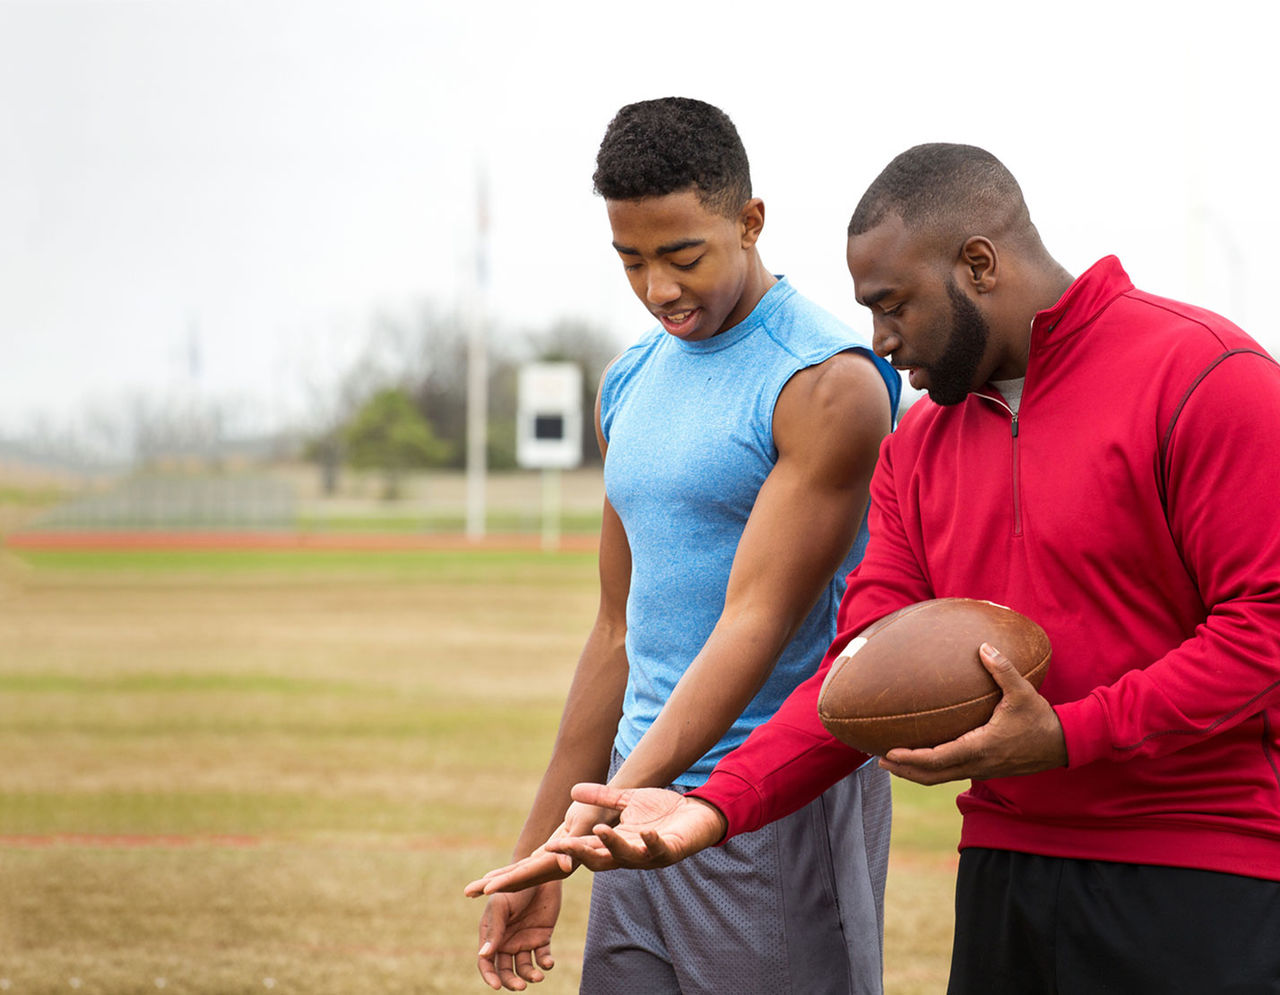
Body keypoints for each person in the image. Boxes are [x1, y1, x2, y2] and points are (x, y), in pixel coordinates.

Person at [546, 144, 1280, 994]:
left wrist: (1072, 735)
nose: (880, 341)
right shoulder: (918, 445)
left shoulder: (1209, 376)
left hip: (1202, 864)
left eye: (893, 306)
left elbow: (1263, 626)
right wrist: (715, 803)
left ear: (978, 265)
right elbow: (854, 674)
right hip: (1004, 867)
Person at [464, 97, 901, 994]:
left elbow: (756, 618)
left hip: (764, 806)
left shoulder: (826, 383)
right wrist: (550, 839)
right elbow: (617, 632)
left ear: (750, 220)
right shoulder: (629, 380)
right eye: (631, 260)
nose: (658, 288)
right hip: (634, 808)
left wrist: (601, 813)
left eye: (683, 255)